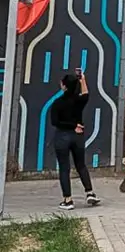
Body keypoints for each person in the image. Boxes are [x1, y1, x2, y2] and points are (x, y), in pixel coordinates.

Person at [50, 68, 101, 210]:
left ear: (63, 85)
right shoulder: (79, 101)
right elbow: (86, 94)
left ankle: (68, 200)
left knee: (64, 168)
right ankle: (90, 193)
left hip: (62, 137)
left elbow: (55, 122)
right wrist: (82, 79)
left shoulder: (57, 103)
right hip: (78, 137)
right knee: (81, 165)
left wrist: (71, 126)